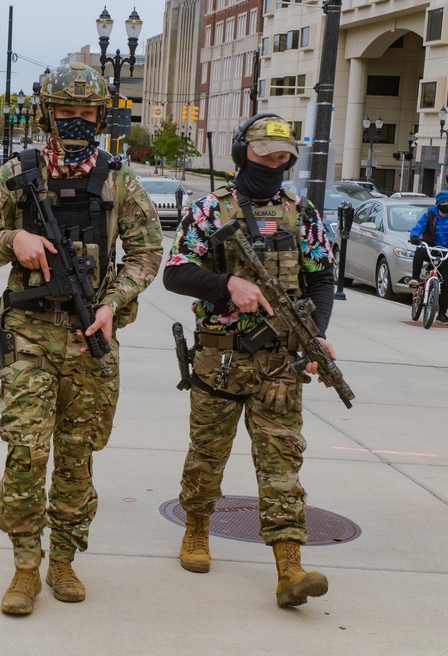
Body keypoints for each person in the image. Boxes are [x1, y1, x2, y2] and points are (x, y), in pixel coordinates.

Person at [0, 61, 162, 616]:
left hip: (89, 337)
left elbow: (148, 253)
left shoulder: (117, 179)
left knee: (77, 458)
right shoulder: (16, 173)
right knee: (27, 452)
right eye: (65, 111)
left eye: (85, 113)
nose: (75, 121)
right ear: (47, 113)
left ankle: (64, 560)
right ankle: (25, 567)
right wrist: (15, 239)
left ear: (101, 117)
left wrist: (111, 301)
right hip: (29, 335)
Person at [163, 113, 337, 608]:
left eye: (283, 158)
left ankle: (289, 567)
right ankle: (196, 527)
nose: (274, 164)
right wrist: (227, 285)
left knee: (283, 462)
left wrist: (317, 336)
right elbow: (176, 274)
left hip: (279, 364)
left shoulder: (303, 215)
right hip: (221, 359)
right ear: (244, 152)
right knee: (207, 455)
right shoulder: (208, 211)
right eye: (266, 155)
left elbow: (321, 280)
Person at [409, 190, 448, 324]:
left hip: (446, 251)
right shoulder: (429, 214)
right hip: (430, 247)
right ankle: (415, 278)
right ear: (438, 203)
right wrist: (415, 236)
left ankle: (442, 313)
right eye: (443, 202)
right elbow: (418, 227)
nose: (446, 204)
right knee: (419, 250)